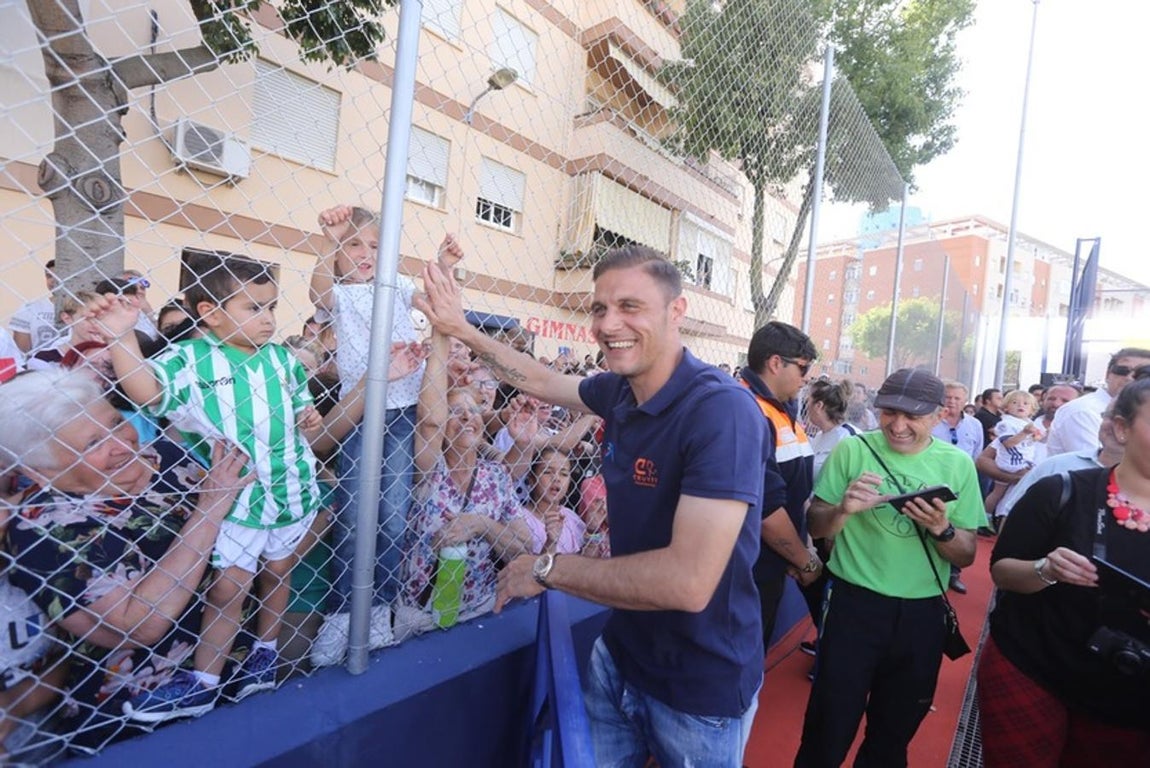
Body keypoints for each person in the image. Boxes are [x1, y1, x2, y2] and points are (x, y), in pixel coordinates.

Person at [416, 245, 767, 767]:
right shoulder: (619, 392)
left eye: (630, 306)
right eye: (600, 308)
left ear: (677, 311)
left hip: (698, 684)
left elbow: (688, 583)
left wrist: (548, 568)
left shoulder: (721, 412)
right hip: (621, 655)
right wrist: (460, 328)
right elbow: (539, 379)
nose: (608, 324)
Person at [97, 253, 323, 722]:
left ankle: (264, 654)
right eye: (254, 308)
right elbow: (148, 391)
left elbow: (301, 404)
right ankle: (204, 682)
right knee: (227, 588)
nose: (268, 319)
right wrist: (121, 335)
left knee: (278, 572)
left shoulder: (282, 358)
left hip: (292, 488)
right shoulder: (191, 359)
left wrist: (309, 415)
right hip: (238, 499)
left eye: (271, 307)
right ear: (210, 313)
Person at [0, 370, 251, 751]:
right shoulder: (42, 529)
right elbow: (138, 624)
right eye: (94, 443)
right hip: (143, 718)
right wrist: (211, 507)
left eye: (117, 422)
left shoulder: (164, 456)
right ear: (42, 471)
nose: (123, 444)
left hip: (242, 672)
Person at [794, 368, 982, 768]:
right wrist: (843, 509)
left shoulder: (958, 464)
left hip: (922, 612)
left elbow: (966, 555)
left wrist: (941, 528)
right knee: (828, 724)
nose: (898, 425)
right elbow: (816, 525)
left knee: (894, 731)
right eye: (889, 412)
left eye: (912, 416)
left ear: (939, 415)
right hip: (852, 604)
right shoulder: (853, 449)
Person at [309, 206, 461, 653]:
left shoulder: (395, 285)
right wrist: (329, 241)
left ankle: (379, 608)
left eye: (375, 246)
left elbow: (431, 301)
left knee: (393, 519)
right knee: (355, 517)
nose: (365, 254)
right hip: (361, 414)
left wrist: (444, 265)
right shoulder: (343, 293)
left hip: (402, 412)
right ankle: (342, 614)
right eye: (354, 244)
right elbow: (318, 292)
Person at [978, 378, 1150, 766]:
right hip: (1034, 666)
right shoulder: (1062, 489)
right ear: (1121, 429)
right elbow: (1003, 570)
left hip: (1130, 696)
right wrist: (1046, 569)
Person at [380, 330, 532, 645]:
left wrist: (483, 525)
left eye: (474, 411)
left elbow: (524, 548)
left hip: (480, 610)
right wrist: (441, 339)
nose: (466, 418)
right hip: (419, 617)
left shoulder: (496, 476)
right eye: (455, 411)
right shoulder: (427, 469)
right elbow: (429, 423)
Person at [739, 321, 819, 653]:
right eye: (803, 368)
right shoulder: (748, 410)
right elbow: (766, 511)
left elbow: (795, 493)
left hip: (772, 563)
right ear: (775, 363)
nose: (807, 377)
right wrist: (806, 562)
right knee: (741, 661)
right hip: (747, 571)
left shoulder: (779, 408)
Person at [996, 408, 1124, 523]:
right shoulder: (1054, 467)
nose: (1117, 426)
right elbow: (1011, 521)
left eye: (1128, 418)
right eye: (1111, 415)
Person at [1046, 348, 1150, 457]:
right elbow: (1098, 461)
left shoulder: (1139, 411)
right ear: (1107, 374)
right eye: (1122, 371)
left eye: (1142, 374)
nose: (1130, 378)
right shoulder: (1082, 411)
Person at [931, 380, 983, 594]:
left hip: (961, 485)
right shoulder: (931, 421)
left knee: (960, 529)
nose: (951, 401)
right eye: (948, 397)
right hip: (932, 483)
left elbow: (977, 453)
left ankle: (954, 574)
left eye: (957, 398)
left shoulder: (975, 425)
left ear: (965, 401)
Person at [807, 378, 859, 480]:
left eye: (808, 402)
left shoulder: (847, 437)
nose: (807, 407)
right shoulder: (819, 436)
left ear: (818, 406)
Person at [9, 260, 59, 354]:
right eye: (49, 276)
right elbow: (21, 354)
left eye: (58, 276)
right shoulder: (30, 308)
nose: (53, 280)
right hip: (39, 362)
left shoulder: (84, 308)